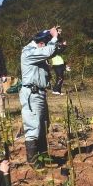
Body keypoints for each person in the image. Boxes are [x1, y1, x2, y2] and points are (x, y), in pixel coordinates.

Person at [21, 28, 59, 168]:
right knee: (33, 126)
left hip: (41, 93)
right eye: (47, 42)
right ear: (42, 43)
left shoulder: (39, 51)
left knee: (43, 126)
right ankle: (33, 161)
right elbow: (48, 51)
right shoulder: (29, 51)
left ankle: (43, 156)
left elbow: (53, 51)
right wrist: (54, 37)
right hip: (32, 93)